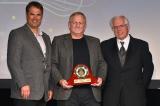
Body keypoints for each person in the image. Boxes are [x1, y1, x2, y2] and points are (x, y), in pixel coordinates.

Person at [51, 11, 107, 106]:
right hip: (67, 92)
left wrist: (101, 78)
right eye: (74, 22)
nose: (77, 25)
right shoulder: (58, 41)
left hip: (91, 92)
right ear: (69, 25)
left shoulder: (95, 42)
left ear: (85, 26)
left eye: (80, 23)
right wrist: (60, 80)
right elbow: (52, 63)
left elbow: (102, 63)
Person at [7, 1, 53, 106]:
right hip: (25, 92)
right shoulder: (17, 34)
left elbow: (48, 65)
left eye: (38, 14)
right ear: (27, 14)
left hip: (42, 93)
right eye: (32, 14)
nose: (35, 18)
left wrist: (49, 87)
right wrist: (22, 84)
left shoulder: (46, 37)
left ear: (42, 16)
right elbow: (13, 62)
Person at [101, 15, 154, 106]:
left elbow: (149, 68)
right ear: (112, 29)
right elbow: (100, 67)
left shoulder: (141, 45)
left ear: (128, 27)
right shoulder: (104, 45)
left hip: (135, 96)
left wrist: (141, 87)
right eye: (115, 27)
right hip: (111, 97)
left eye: (121, 26)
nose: (118, 29)